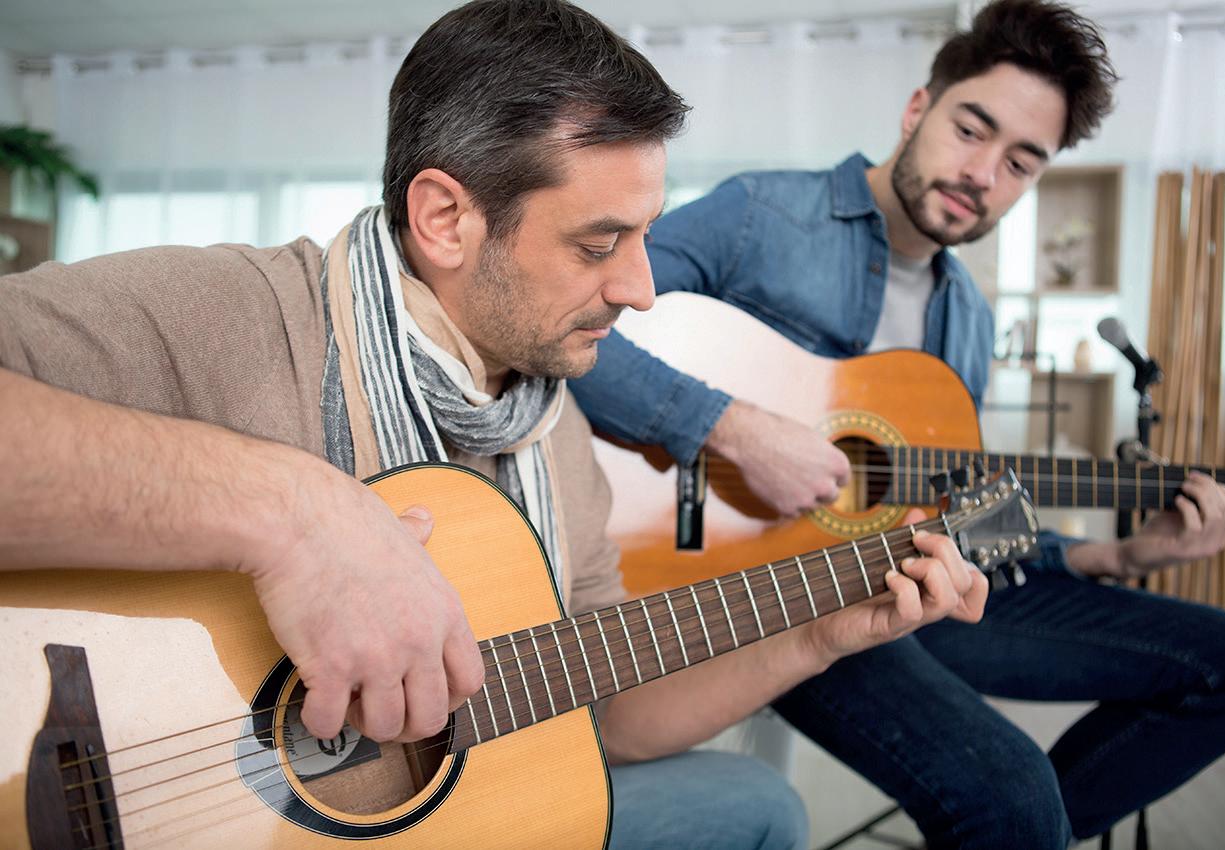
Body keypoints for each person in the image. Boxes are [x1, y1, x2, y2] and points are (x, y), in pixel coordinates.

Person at [0, 2, 991, 847]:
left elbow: (606, 712)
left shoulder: (554, 433)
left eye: (645, 236)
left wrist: (818, 636)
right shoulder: (225, 315)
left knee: (754, 804)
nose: (641, 288)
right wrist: (292, 514)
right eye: (600, 243)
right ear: (445, 219)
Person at [569, 0, 1225, 846]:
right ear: (918, 109)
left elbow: (962, 511)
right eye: (971, 130)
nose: (984, 173)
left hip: (906, 588)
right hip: (761, 598)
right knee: (1011, 799)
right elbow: (577, 317)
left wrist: (1118, 557)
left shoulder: (967, 320)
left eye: (1020, 163)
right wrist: (734, 430)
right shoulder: (761, 214)